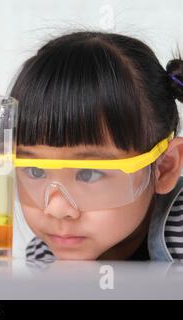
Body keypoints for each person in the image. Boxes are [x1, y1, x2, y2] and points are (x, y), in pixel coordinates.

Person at [11, 31, 183, 261]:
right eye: (35, 171)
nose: (56, 209)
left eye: (88, 174)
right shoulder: (46, 252)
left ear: (164, 167)